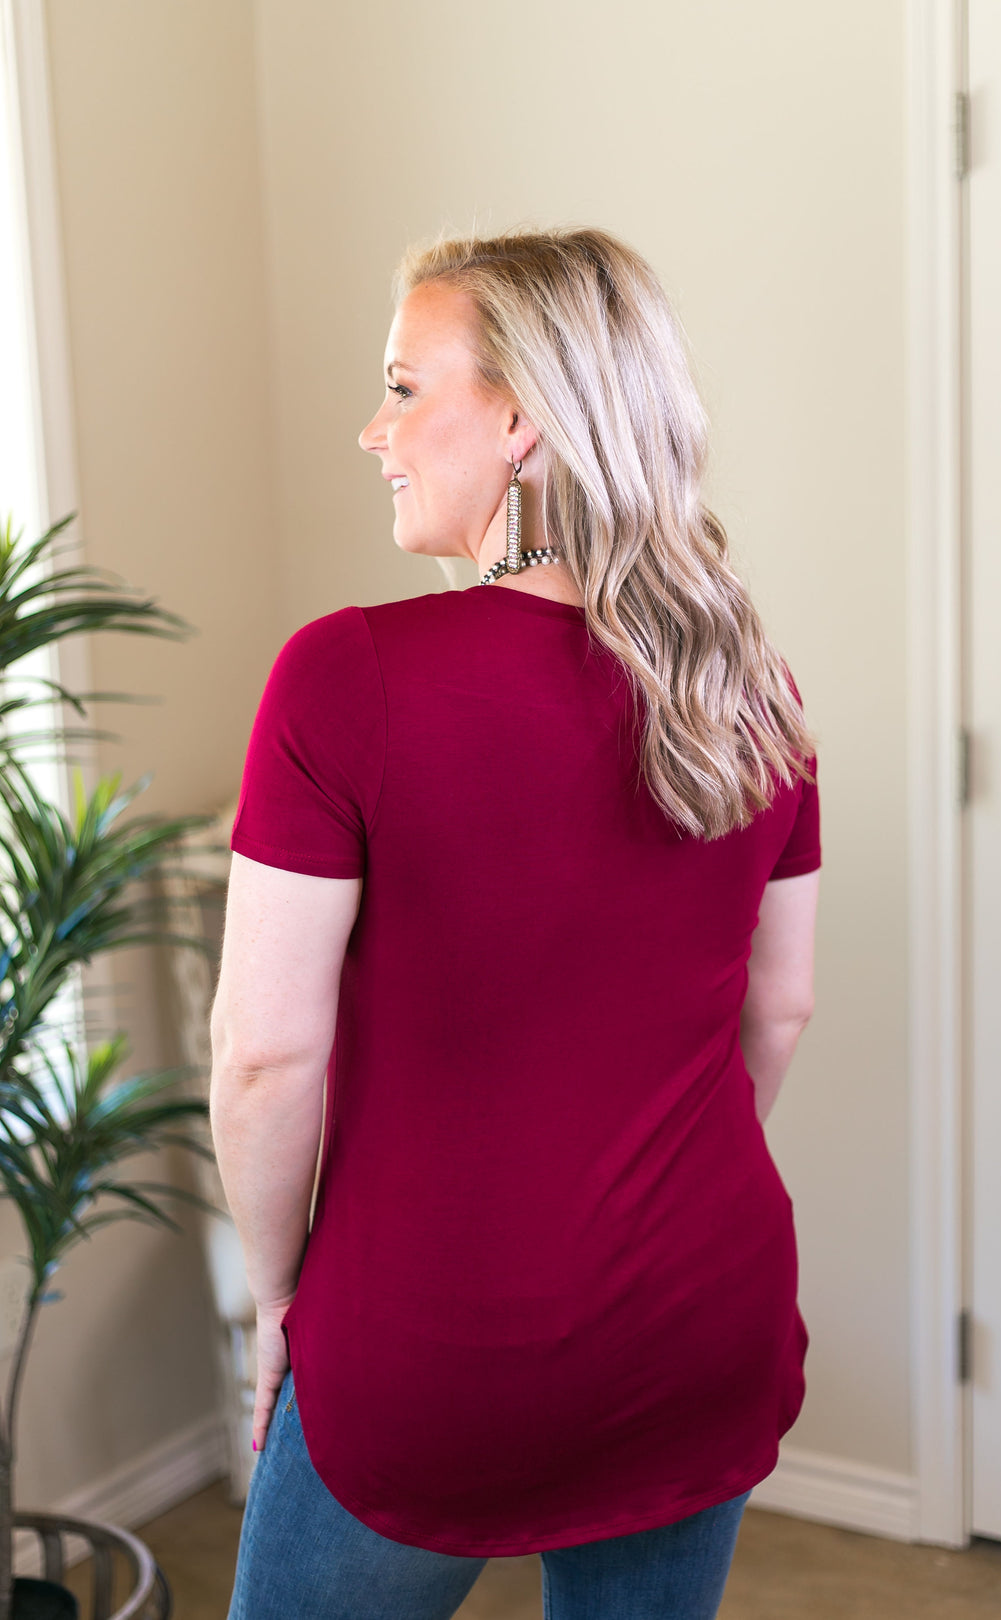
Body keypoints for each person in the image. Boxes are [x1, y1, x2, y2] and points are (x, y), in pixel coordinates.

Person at [211, 226, 821, 1620]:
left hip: (434, 1352)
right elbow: (779, 1011)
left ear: (523, 422)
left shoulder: (346, 677)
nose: (373, 431)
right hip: (698, 1315)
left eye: (403, 387)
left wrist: (275, 1296)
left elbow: (262, 1057)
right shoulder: (750, 687)